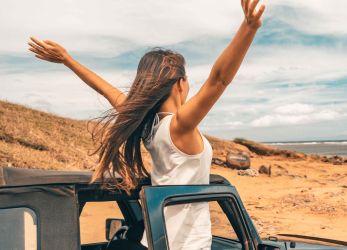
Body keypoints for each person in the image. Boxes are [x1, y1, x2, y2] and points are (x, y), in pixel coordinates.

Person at [27, 0, 265, 249]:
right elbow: (218, 80)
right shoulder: (179, 126)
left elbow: (103, 87)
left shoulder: (148, 126)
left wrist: (68, 59)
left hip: (154, 239)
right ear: (180, 83)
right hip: (187, 244)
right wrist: (248, 29)